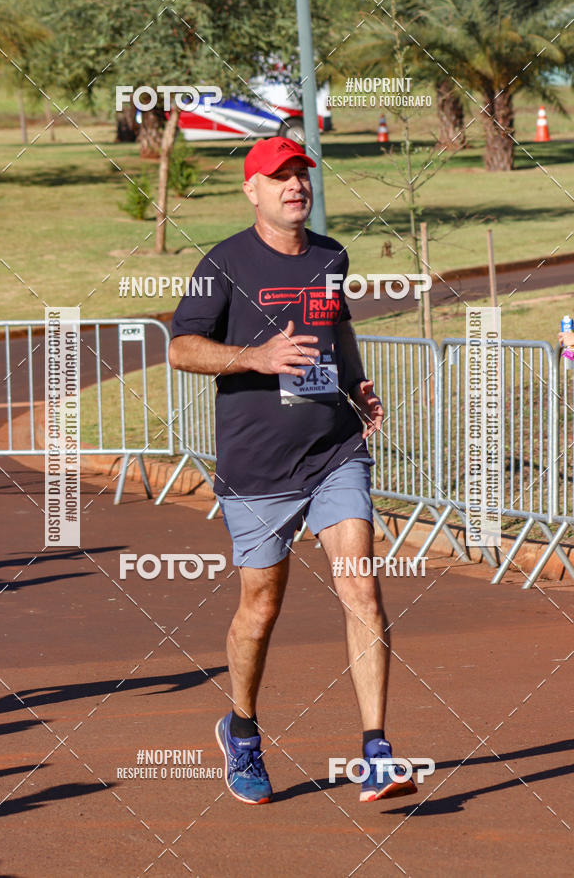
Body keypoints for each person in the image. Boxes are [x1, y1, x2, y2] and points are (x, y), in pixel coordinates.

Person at [169, 136, 416, 805]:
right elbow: (181, 348)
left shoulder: (331, 256)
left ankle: (376, 751)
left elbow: (339, 331)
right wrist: (255, 358)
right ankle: (242, 731)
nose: (294, 186)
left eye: (301, 175)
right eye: (279, 177)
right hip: (257, 463)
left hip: (334, 448)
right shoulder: (223, 263)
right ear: (252, 189)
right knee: (262, 605)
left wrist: (358, 385)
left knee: (360, 587)